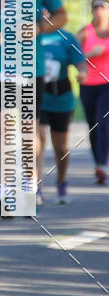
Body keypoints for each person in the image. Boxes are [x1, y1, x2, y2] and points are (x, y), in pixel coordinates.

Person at [0, 0, 67, 214]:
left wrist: (40, 28)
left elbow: (61, 15)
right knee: (3, 127)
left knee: (28, 130)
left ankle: (31, 185)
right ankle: (6, 188)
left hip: (31, 68)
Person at [39, 29, 87, 204]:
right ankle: (36, 186)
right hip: (38, 96)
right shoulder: (28, 33)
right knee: (37, 141)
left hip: (62, 98)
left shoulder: (66, 37)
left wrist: (83, 73)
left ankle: (61, 181)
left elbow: (80, 62)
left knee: (60, 147)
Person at [77, 0, 109, 184]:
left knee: (103, 122)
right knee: (93, 125)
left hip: (107, 84)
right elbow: (73, 56)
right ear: (92, 11)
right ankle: (98, 163)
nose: (99, 11)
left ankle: (103, 164)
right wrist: (90, 53)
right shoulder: (85, 33)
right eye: (95, 7)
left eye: (103, 7)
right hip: (88, 84)